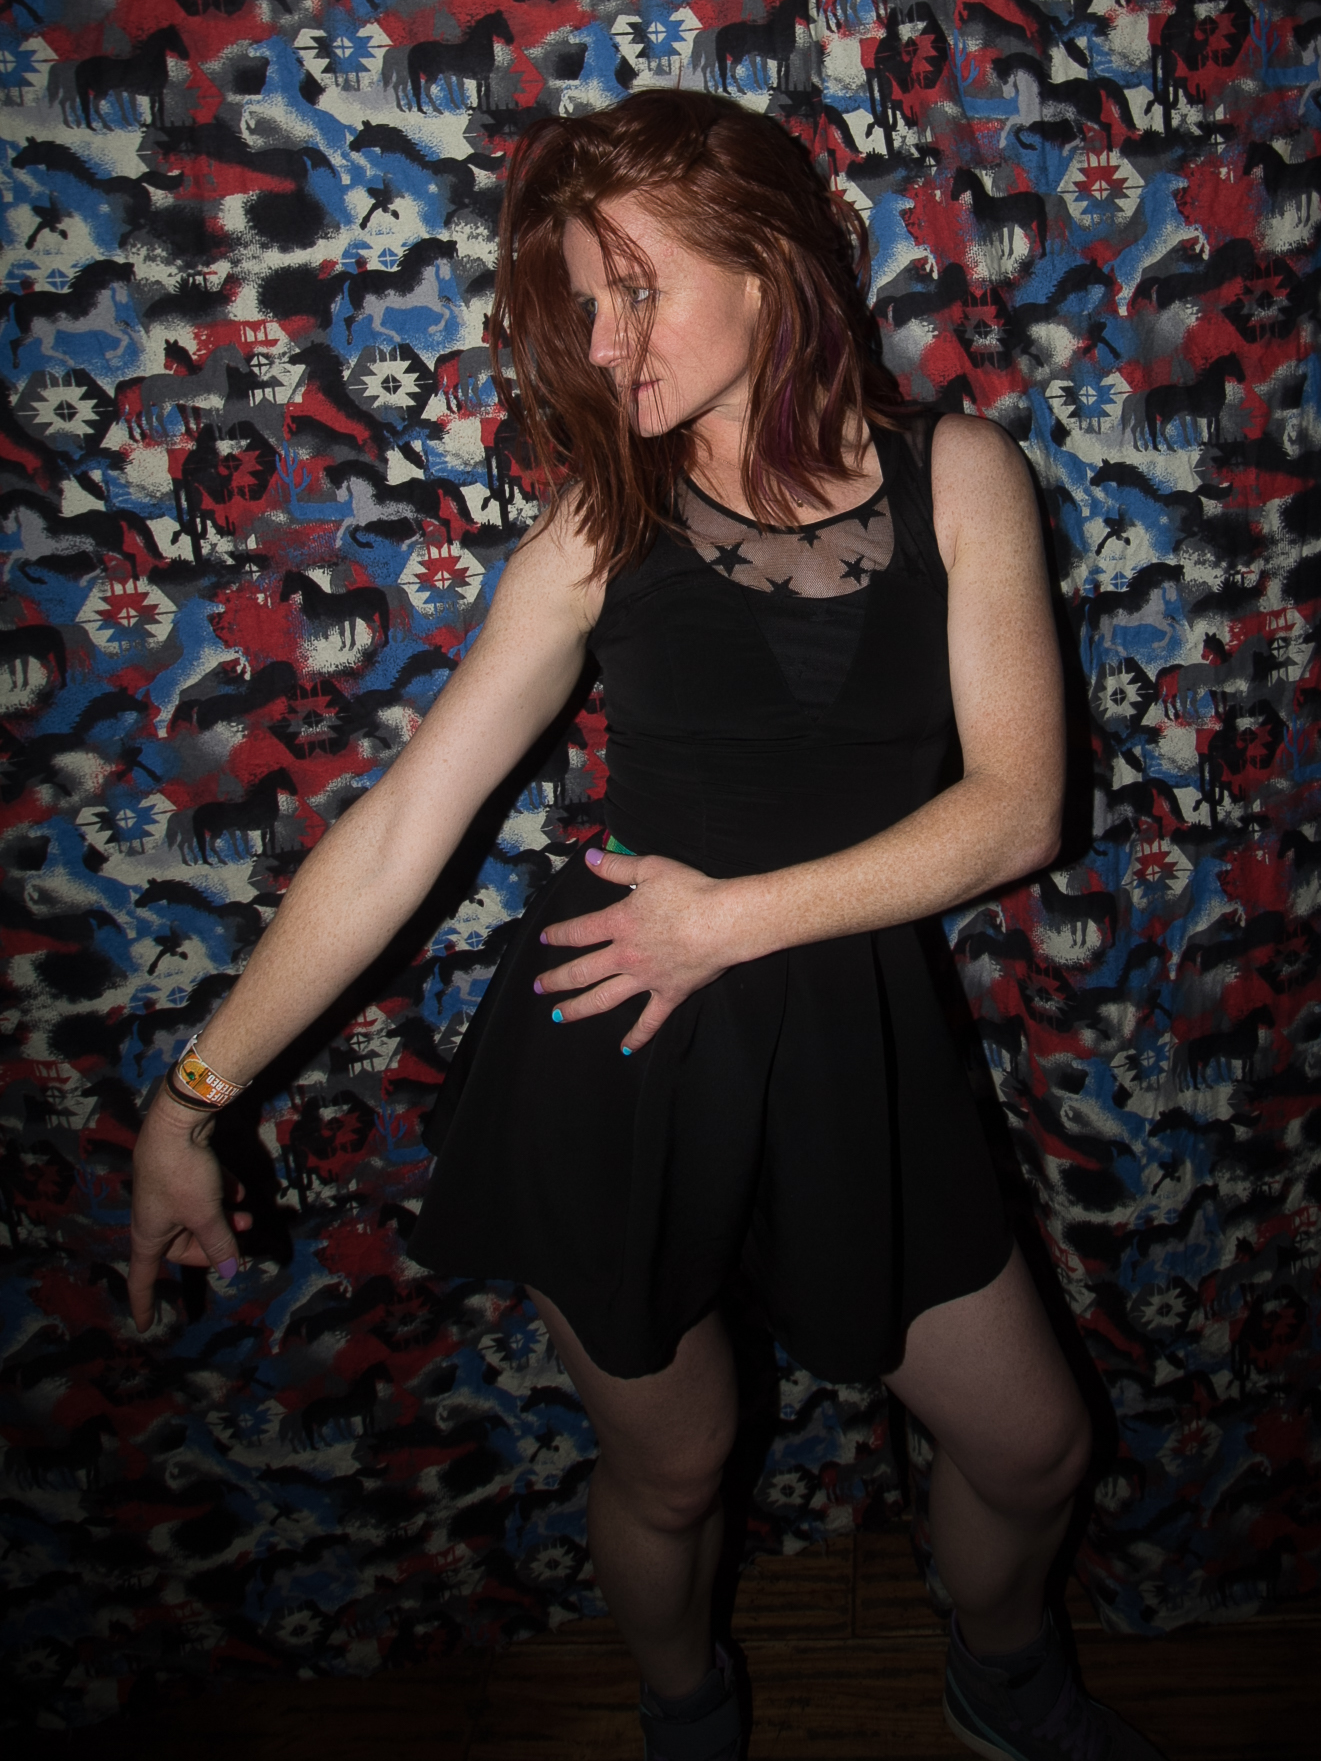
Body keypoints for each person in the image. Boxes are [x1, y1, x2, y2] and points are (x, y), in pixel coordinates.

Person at [128, 93, 1161, 1761]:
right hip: (621, 1036)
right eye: (580, 306)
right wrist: (193, 1101)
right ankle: (687, 1707)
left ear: (770, 262)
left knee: (1033, 1449)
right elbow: (400, 832)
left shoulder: (958, 473)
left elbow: (1017, 811)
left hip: (849, 1041)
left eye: (636, 290)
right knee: (675, 1467)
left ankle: (1004, 1669)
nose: (603, 346)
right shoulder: (601, 521)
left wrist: (731, 923)